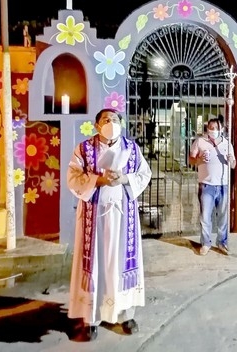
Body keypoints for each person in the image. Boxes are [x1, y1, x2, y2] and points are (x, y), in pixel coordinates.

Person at [67, 108, 152, 342]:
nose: (111, 123)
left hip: (124, 218)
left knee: (122, 264)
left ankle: (126, 315)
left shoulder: (131, 149)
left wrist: (125, 179)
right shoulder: (84, 149)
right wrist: (98, 180)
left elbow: (144, 174)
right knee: (97, 264)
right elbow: (73, 177)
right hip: (95, 220)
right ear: (96, 125)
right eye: (106, 119)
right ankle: (91, 319)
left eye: (115, 120)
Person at [189, 117, 236, 256]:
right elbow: (190, 159)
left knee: (223, 216)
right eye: (210, 127)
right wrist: (198, 159)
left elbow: (233, 165)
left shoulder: (227, 144)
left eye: (215, 128)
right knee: (205, 216)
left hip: (223, 185)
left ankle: (222, 242)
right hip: (206, 185)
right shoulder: (200, 142)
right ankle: (206, 243)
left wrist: (230, 160)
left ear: (221, 129)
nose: (212, 130)